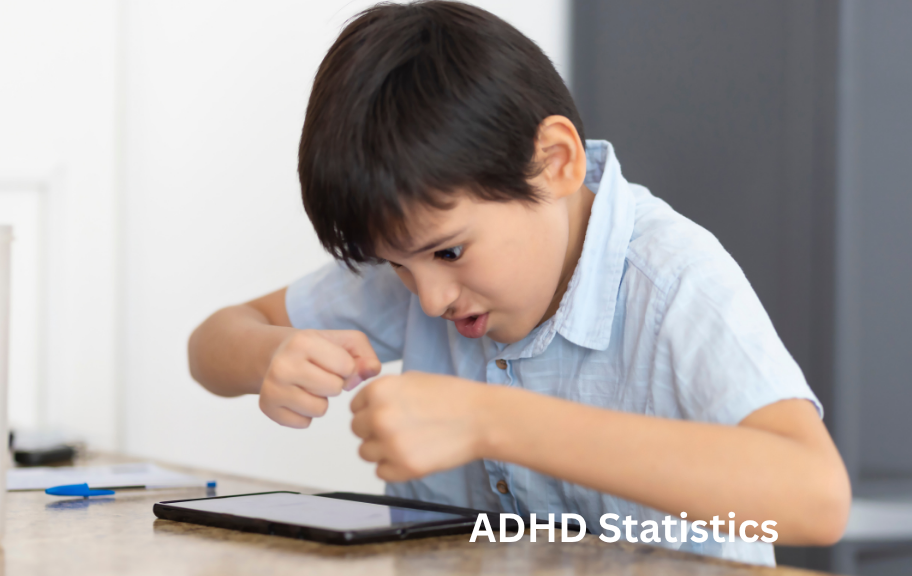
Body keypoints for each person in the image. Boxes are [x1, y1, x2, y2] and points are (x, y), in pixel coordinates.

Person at [187, 1, 850, 565]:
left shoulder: (672, 280)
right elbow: (214, 341)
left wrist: (493, 421)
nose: (429, 299)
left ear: (555, 163)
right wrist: (269, 357)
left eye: (448, 252)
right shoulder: (425, 267)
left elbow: (817, 498)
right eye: (396, 265)